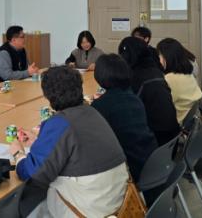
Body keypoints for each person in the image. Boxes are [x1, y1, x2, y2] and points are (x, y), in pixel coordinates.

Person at [9, 66, 128, 217]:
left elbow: (31, 173)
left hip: (90, 208)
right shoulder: (92, 111)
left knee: (33, 204)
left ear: (48, 96)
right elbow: (74, 145)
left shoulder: (60, 123)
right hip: (117, 199)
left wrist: (18, 154)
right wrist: (40, 140)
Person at [91, 54, 158, 183]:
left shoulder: (100, 106)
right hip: (151, 158)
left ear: (100, 75)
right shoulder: (134, 97)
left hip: (130, 168)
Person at [118, 37, 180, 146]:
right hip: (171, 136)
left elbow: (127, 110)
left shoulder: (137, 77)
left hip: (155, 140)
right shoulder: (155, 71)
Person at [157, 38, 202, 124]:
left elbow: (161, 106)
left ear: (167, 57)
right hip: (190, 121)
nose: (158, 59)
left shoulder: (169, 79)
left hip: (176, 123)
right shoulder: (188, 74)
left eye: (159, 55)